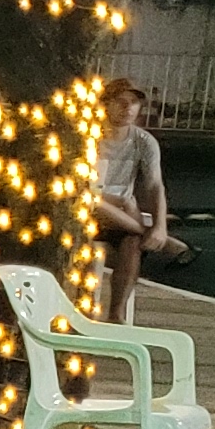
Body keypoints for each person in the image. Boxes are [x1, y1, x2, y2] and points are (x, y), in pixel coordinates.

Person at [93, 78, 174, 323]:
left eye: (134, 103)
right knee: (94, 200)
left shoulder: (143, 141)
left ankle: (116, 314)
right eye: (121, 101)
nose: (128, 108)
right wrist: (119, 201)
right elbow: (83, 190)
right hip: (89, 211)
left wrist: (160, 226)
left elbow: (155, 185)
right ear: (106, 105)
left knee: (132, 242)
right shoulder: (89, 137)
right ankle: (165, 243)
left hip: (121, 219)